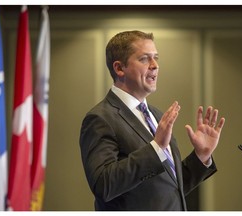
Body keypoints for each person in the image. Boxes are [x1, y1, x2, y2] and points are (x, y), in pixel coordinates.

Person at [79, 30, 225, 211]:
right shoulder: (101, 118)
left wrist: (201, 156)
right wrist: (156, 148)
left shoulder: (156, 115)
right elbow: (104, 185)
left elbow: (168, 189)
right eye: (144, 59)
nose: (155, 65)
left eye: (156, 58)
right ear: (119, 68)